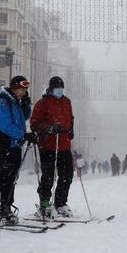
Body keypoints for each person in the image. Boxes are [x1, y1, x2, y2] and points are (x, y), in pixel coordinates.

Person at [0, 76, 33, 226]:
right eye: (22, 89)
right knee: (0, 178)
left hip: (15, 146)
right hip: (4, 146)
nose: (24, 92)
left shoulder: (15, 102)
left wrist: (26, 103)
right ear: (15, 87)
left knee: (11, 179)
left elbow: (24, 117)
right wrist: (23, 134)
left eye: (25, 89)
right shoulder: (2, 101)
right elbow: (5, 126)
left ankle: (5, 207)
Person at [31, 76, 75, 218]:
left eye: (61, 89)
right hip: (48, 145)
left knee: (66, 175)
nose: (60, 92)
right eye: (57, 89)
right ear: (51, 89)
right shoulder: (42, 103)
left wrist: (70, 129)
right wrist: (49, 128)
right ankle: (44, 203)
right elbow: (35, 123)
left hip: (64, 145)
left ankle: (61, 203)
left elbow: (71, 118)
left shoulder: (66, 102)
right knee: (48, 176)